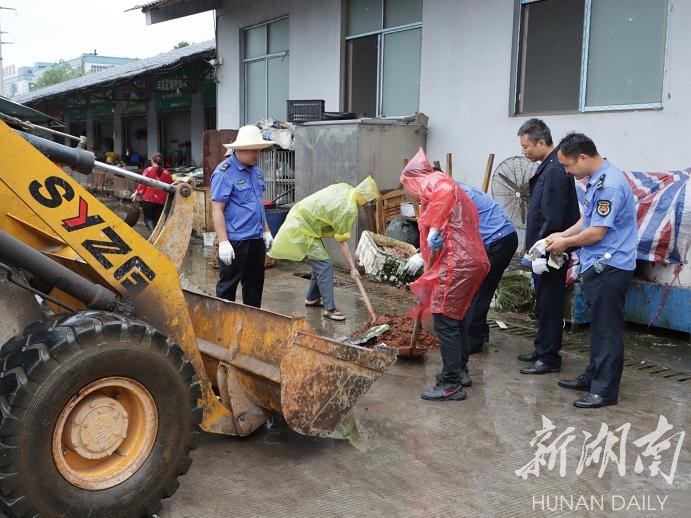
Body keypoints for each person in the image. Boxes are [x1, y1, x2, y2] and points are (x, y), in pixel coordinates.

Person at [546, 133, 636, 408]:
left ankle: (605, 391)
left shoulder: (610, 186)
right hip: (598, 265)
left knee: (607, 330)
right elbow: (587, 220)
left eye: (568, 166)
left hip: (611, 267)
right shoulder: (595, 180)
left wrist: (565, 244)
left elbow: (596, 232)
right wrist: (561, 233)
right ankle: (594, 375)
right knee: (599, 327)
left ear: (582, 158)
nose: (566, 171)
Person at [404, 181, 518, 382]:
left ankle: (454, 377)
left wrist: (424, 254)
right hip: (483, 248)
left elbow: (445, 233)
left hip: (488, 245)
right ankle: (461, 368)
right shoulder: (450, 189)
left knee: (456, 310)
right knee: (463, 309)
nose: (417, 199)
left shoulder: (447, 195)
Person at [401, 149, 490, 401]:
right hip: (468, 259)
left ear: (413, 180)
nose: (409, 192)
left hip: (457, 262)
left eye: (407, 186)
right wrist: (425, 249)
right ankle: (459, 371)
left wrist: (435, 227)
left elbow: (444, 192)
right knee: (456, 316)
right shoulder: (447, 189)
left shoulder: (436, 182)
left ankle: (451, 384)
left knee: (444, 319)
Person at [516, 119, 580, 375]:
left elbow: (552, 216)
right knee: (543, 300)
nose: (524, 152)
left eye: (526, 146)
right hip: (546, 246)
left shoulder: (554, 170)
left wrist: (541, 248)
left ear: (541, 142)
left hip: (551, 250)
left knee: (550, 302)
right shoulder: (550, 166)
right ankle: (542, 347)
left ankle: (548, 357)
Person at [268, 176, 381, 321]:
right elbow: (343, 243)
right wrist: (353, 268)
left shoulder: (347, 189)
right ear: (365, 197)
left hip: (304, 219)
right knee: (325, 265)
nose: (368, 205)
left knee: (320, 264)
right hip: (303, 228)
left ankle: (312, 299)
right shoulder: (348, 209)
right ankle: (330, 309)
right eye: (370, 201)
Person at [211, 125, 275, 308]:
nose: (257, 155)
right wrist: (223, 242)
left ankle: (251, 326)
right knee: (227, 290)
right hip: (235, 241)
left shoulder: (256, 171)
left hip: (255, 239)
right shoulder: (224, 173)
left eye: (258, 150)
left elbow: (257, 205)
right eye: (253, 150)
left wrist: (266, 231)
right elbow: (217, 209)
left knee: (254, 288)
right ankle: (224, 329)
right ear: (240, 149)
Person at [130, 152, 174, 233]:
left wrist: (136, 193)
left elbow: (142, 183)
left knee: (148, 219)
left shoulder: (148, 170)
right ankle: (157, 235)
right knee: (157, 220)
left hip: (148, 199)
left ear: (152, 161)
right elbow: (171, 186)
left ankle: (153, 234)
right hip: (161, 200)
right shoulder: (167, 173)